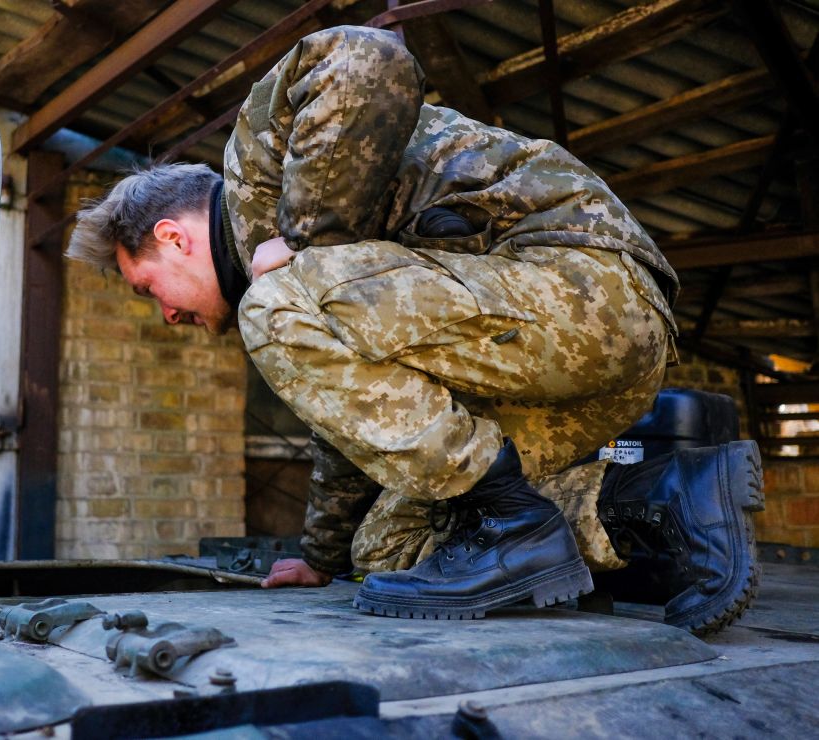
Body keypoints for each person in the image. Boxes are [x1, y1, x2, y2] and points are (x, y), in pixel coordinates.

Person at [68, 26, 763, 634]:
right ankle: (665, 500)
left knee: (273, 306)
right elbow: (358, 420)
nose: (166, 316)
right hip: (542, 364)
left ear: (172, 237)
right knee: (387, 546)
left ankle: (512, 521)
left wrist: (310, 240)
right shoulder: (299, 292)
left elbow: (371, 56)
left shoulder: (259, 168)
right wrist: (320, 557)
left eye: (147, 288)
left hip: (589, 291)